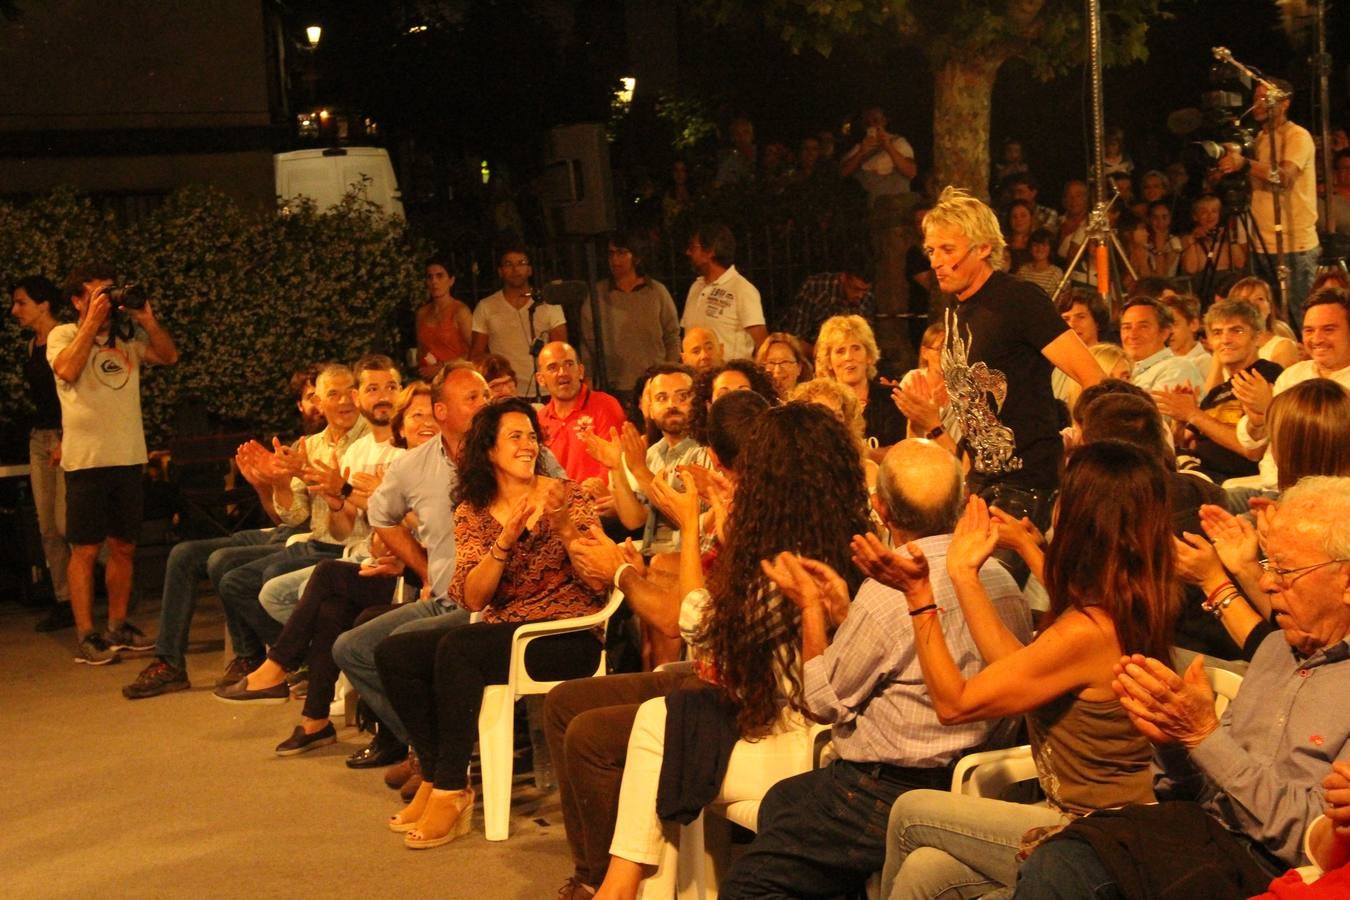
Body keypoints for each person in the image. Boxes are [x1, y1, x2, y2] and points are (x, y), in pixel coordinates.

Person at [717, 440, 1032, 898]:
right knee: (784, 802)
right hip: (980, 778)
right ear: (962, 503)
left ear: (881, 510)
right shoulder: (1001, 579)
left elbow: (822, 701)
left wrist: (809, 608)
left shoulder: (892, 586)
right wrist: (846, 614)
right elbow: (906, 660)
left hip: (889, 792)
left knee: (749, 884)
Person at [589, 404, 874, 899]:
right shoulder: (848, 534)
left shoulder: (799, 558)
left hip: (806, 746)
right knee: (664, 721)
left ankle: (617, 888)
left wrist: (689, 527)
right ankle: (621, 886)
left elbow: (700, 626)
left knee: (660, 725)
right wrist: (728, 526)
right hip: (787, 723)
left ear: (772, 478)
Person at [1015, 476, 1350, 896]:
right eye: (1266, 565)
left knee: (1062, 868)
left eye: (1285, 570)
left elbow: (1314, 844)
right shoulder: (1277, 650)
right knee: (946, 870)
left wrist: (1203, 736)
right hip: (1194, 840)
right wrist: (1173, 745)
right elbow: (1195, 797)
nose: (1265, 583)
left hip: (1266, 874)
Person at [879, 441, 1175, 899]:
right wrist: (964, 576)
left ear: (1081, 518)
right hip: (1087, 824)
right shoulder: (1130, 604)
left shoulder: (1090, 631)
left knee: (909, 813)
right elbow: (1017, 667)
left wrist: (921, 598)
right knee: (925, 871)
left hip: (1096, 837)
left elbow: (954, 704)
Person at [376, 398, 608, 849]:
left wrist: (561, 525)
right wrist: (502, 542)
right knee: (394, 652)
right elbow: (471, 595)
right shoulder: (473, 511)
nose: (527, 445)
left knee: (461, 647)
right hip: (503, 633)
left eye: (531, 436)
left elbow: (598, 576)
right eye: (515, 437)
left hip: (567, 634)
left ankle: (449, 787)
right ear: (489, 450)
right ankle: (437, 773)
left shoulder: (568, 494)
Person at [210, 382, 438, 756]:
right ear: (402, 424)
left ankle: (280, 669)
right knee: (330, 598)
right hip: (392, 564)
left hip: (424, 576)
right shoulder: (400, 462)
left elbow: (418, 527)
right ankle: (314, 718)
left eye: (432, 414)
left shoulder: (441, 464)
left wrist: (354, 498)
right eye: (416, 415)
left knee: (328, 578)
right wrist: (290, 489)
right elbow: (343, 527)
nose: (425, 422)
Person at [915, 187, 1103, 526]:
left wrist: (1086, 448)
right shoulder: (955, 309)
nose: (936, 261)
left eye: (947, 249)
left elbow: (1093, 377)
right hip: (982, 485)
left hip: (1027, 485)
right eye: (931, 250)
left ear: (984, 248)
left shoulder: (1019, 300)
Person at [49, 264, 178, 664]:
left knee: (124, 546)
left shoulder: (129, 337)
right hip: (86, 461)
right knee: (85, 549)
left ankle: (119, 624)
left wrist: (147, 319)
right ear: (75, 300)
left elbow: (168, 356)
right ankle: (87, 633)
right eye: (97, 293)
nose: (108, 300)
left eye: (111, 292)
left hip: (127, 456)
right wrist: (91, 322)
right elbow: (68, 369)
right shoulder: (63, 334)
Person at [212, 363, 368, 684]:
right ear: (319, 404)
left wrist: (303, 473)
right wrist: (279, 483)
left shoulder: (370, 437)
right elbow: (296, 516)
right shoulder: (309, 445)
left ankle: (301, 663)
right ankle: (304, 660)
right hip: (316, 543)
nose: (343, 402)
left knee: (271, 576)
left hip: (353, 545)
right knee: (234, 582)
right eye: (332, 395)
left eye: (348, 393)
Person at [1217, 78, 1320, 328]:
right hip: (1260, 243)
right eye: (1255, 99)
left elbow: (1283, 176)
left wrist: (1245, 164)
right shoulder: (1258, 139)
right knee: (1262, 318)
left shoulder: (1297, 136)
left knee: (1298, 316)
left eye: (1265, 98)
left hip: (1294, 245)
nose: (1257, 105)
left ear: (1284, 103)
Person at [1154, 297, 1282, 483]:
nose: (1225, 340)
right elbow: (1186, 445)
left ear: (1257, 336)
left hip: (1240, 483)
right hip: (1197, 476)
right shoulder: (1215, 393)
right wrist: (1179, 422)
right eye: (1217, 332)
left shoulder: (1268, 375)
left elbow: (1252, 449)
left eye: (1236, 331)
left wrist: (1193, 413)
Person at [1236, 287, 1350, 491]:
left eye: (1329, 329)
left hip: (1330, 497)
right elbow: (1252, 448)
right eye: (1309, 330)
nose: (1316, 339)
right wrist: (1257, 422)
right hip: (1270, 489)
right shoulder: (1292, 375)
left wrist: (1272, 410)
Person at [11, 275, 72, 632]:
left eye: (21, 302)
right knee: (47, 526)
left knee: (68, 524)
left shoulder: (63, 338)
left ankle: (112, 577)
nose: (15, 310)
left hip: (67, 436)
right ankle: (64, 599)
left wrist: (68, 437)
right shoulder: (32, 346)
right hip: (41, 438)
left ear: (43, 304)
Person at [578, 231, 680, 394]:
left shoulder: (656, 291)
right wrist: (588, 379)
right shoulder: (598, 294)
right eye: (611, 254)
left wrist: (670, 373)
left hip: (653, 384)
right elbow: (588, 343)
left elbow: (672, 336)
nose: (615, 259)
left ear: (636, 257)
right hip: (611, 386)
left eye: (621, 253)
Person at [469, 244, 568, 398]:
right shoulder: (486, 307)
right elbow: (476, 356)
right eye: (509, 264)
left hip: (546, 390)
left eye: (521, 263)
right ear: (500, 271)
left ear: (530, 270)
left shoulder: (549, 303)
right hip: (505, 392)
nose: (515, 270)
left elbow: (561, 349)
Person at [535, 341, 627, 482]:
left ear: (581, 371)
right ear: (541, 379)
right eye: (553, 367)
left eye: (569, 364)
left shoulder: (605, 405)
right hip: (558, 502)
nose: (563, 373)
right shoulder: (539, 419)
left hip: (599, 500)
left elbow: (616, 462)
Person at [814, 314, 907, 451]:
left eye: (856, 348)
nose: (849, 357)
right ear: (829, 362)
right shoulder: (820, 405)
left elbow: (901, 453)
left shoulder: (892, 398)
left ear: (868, 355)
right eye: (840, 351)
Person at [681, 223, 767, 361]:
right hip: (697, 379)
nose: (688, 252)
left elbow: (763, 345)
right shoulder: (695, 288)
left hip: (730, 378)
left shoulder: (742, 289)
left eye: (693, 247)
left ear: (710, 251)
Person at [779, 251, 876, 353]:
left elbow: (866, 341)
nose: (860, 296)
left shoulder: (867, 298)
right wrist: (826, 357)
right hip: (810, 357)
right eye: (855, 289)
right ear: (843, 278)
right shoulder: (815, 288)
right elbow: (794, 339)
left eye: (864, 290)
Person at [1120, 296, 1205, 394]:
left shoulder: (1177, 369)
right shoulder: (1127, 371)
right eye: (1127, 327)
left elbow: (1142, 409)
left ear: (1165, 332)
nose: (1132, 335)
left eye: (1143, 327)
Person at [413, 255, 472, 379]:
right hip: (429, 378)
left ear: (451, 280)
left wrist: (443, 367)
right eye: (430, 277)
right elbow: (421, 349)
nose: (434, 282)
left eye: (440, 276)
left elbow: (474, 352)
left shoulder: (460, 312)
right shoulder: (422, 313)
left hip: (456, 377)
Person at [1226, 275, 1301, 366]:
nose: (1253, 304)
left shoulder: (1282, 347)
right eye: (1245, 300)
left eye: (1260, 299)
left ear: (1269, 307)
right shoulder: (1226, 346)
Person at [754, 332, 812, 400]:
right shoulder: (756, 403)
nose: (777, 370)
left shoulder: (811, 401)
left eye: (785, 362)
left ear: (799, 367)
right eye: (771, 363)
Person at [1012, 228, 1063, 296]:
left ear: (1050, 248)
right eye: (1035, 245)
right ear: (1030, 248)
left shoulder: (1056, 273)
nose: (1040, 249)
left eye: (1044, 245)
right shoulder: (1022, 271)